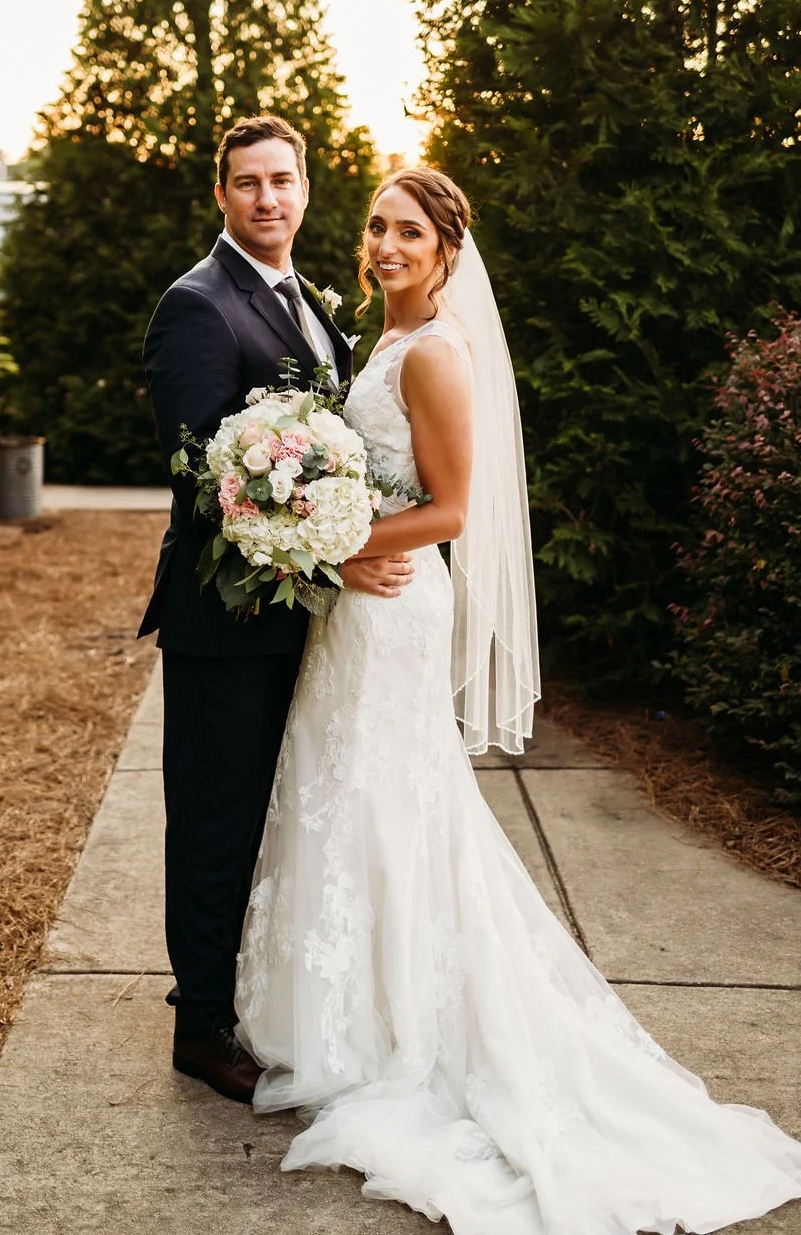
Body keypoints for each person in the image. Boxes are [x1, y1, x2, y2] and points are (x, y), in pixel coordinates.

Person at [235, 167, 801, 1233]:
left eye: (410, 232)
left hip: (394, 605)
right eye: (377, 226)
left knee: (390, 801)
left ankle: (394, 1028)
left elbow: (449, 509)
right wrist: (316, 526)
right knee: (344, 793)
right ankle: (340, 1009)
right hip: (357, 603)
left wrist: (330, 540)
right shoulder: (382, 343)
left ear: (448, 253)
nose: (387, 244)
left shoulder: (439, 353)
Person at [139, 115, 413, 1104]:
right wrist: (339, 553)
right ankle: (201, 1025)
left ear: (304, 188)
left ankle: (246, 995)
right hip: (228, 623)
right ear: (223, 196)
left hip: (298, 617)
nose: (267, 198)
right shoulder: (197, 306)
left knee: (272, 817)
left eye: (282, 181)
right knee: (215, 821)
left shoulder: (311, 305)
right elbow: (204, 478)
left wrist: (346, 549)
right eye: (247, 183)